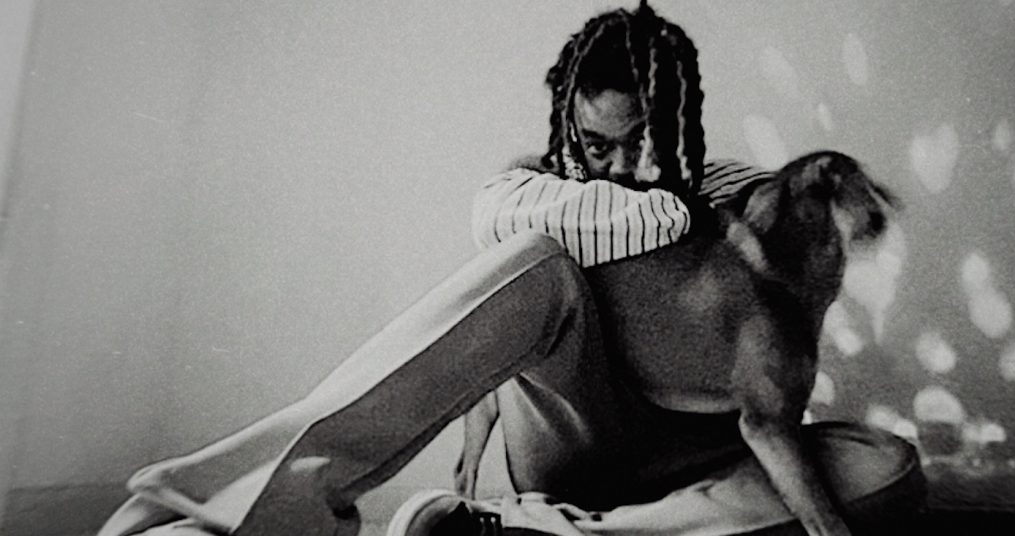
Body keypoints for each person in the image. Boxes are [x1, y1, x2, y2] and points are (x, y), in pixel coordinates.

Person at [97, 4, 921, 536]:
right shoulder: (537, 190)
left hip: (699, 466)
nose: (621, 167)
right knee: (533, 264)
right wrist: (666, 206)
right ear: (567, 131)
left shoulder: (733, 186)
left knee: (887, 465)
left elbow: (780, 233)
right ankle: (232, 510)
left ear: (681, 125)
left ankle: (529, 534)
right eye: (597, 145)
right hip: (572, 433)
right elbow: (502, 216)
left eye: (643, 141)